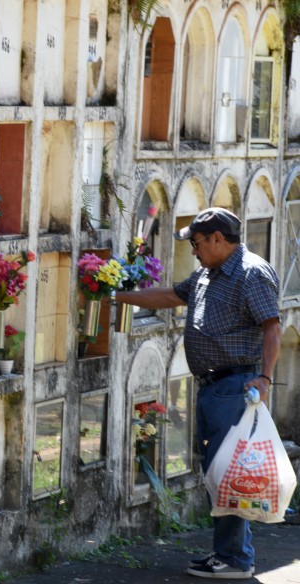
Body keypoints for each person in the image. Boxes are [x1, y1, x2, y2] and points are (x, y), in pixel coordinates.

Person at [115, 207, 281, 580]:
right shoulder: (209, 273)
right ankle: (229, 553)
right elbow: (171, 296)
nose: (193, 249)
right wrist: (119, 297)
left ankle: (237, 559)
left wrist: (265, 379)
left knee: (230, 475)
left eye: (197, 241)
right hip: (211, 386)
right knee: (218, 473)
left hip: (235, 387)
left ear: (218, 239)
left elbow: (273, 327)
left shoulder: (250, 273)